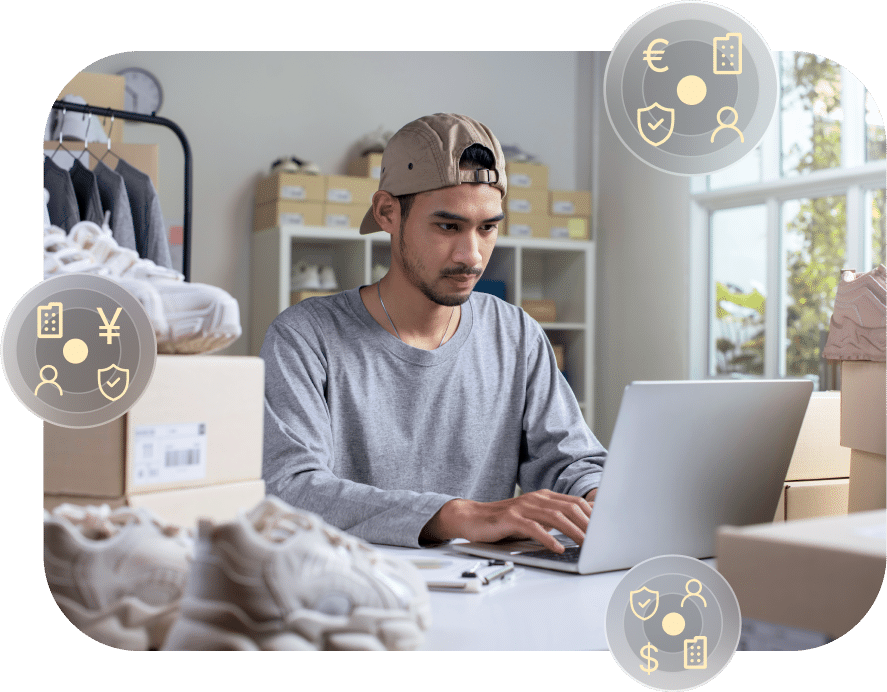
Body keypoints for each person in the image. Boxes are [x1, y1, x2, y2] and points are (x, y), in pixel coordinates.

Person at [261, 113, 606, 552]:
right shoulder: (304, 338)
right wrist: (458, 515)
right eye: (448, 226)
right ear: (388, 212)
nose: (472, 256)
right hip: (351, 593)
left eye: (488, 228)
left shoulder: (516, 334)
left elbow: (570, 461)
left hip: (486, 590)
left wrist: (597, 497)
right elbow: (291, 490)